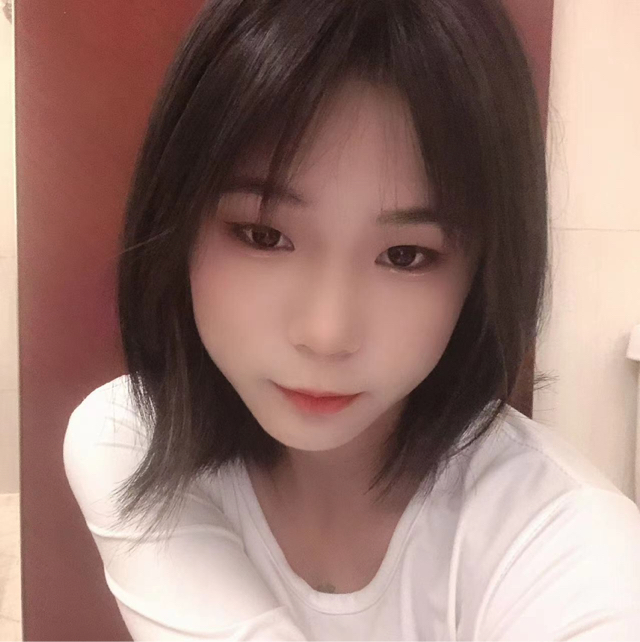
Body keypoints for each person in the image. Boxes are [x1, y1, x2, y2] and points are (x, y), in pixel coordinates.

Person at [63, 0, 640, 639]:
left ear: (483, 271)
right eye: (263, 235)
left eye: (405, 255)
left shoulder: (570, 551)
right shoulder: (130, 438)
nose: (326, 334)